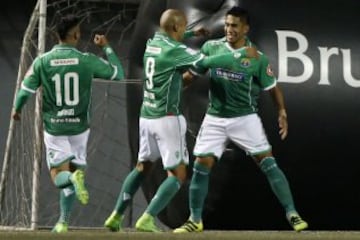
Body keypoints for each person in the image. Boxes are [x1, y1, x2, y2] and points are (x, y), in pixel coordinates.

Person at [103, 8, 257, 232]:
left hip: (146, 116)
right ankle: (147, 217)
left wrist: (193, 34)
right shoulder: (176, 52)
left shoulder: (153, 43)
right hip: (166, 119)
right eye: (184, 26)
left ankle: (116, 215)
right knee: (178, 175)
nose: (186, 29)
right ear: (175, 27)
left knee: (141, 167)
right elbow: (206, 60)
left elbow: (172, 36)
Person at [173, 6, 309, 233]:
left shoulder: (257, 58)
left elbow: (273, 89)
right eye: (226, 24)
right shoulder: (211, 48)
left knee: (268, 163)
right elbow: (191, 76)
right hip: (215, 118)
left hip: (245, 119)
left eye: (234, 25)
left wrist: (282, 111)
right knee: (200, 166)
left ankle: (292, 213)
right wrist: (173, 88)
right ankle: (194, 220)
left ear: (246, 28)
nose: (229, 29)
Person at [12, 14, 125, 233]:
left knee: (59, 176)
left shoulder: (42, 61)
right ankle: (63, 221)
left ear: (57, 36)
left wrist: (16, 109)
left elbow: (25, 90)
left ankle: (71, 185)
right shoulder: (86, 59)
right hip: (80, 128)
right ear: (75, 35)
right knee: (74, 172)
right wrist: (107, 47)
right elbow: (118, 74)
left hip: (55, 127)